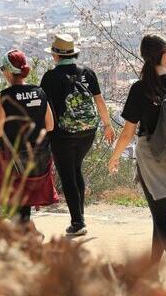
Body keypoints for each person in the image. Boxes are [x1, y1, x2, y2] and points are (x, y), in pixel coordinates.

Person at [108, 34, 166, 289]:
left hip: (152, 158)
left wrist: (114, 157)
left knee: (162, 219)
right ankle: (151, 270)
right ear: (164, 54)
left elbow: (128, 133)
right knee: (161, 215)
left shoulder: (140, 88)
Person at [40, 34, 115, 237]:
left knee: (67, 175)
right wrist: (107, 125)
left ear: (56, 56)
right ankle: (79, 216)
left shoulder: (50, 77)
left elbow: (44, 108)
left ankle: (78, 222)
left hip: (61, 134)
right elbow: (99, 102)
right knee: (75, 169)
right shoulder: (88, 73)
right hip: (88, 132)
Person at [0, 49, 57, 224]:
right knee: (24, 197)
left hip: (14, 156)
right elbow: (50, 125)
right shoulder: (40, 92)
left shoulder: (2, 98)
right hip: (40, 154)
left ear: (8, 71)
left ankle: (25, 230)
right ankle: (25, 227)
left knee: (9, 194)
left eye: (2, 69)